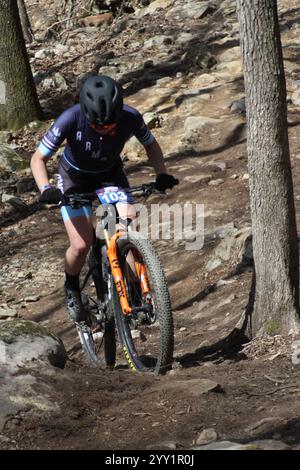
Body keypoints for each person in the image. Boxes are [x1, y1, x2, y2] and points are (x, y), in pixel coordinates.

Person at [31, 75, 178, 322]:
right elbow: (38, 158)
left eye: (110, 125)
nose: (106, 129)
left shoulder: (131, 116)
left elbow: (151, 145)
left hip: (110, 177)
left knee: (126, 226)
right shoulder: (70, 118)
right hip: (73, 180)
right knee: (80, 245)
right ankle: (72, 286)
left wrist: (161, 174)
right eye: (99, 126)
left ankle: (134, 293)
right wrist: (46, 189)